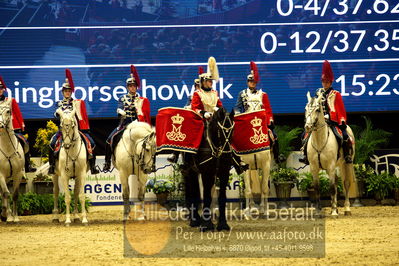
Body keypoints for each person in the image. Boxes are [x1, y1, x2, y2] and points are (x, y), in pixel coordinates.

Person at [299, 60, 353, 164]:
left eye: (327, 82)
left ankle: (346, 156)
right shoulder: (318, 93)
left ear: (331, 82)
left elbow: (340, 109)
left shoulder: (335, 94)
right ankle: (306, 156)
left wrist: (341, 120)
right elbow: (314, 106)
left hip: (333, 121)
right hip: (319, 121)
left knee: (344, 136)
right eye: (324, 81)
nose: (325, 84)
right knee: (304, 135)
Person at [48, 69, 99, 174]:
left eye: (69, 91)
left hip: (77, 130)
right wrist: (58, 113)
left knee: (92, 143)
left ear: (71, 92)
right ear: (62, 92)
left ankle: (93, 166)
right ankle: (52, 166)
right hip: (63, 130)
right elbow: (55, 114)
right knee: (52, 143)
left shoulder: (77, 103)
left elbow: (82, 116)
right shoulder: (58, 103)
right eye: (65, 91)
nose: (67, 93)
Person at [102, 65, 151, 172]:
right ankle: (107, 162)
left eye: (134, 86)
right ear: (127, 87)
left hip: (137, 125)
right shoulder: (123, 98)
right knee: (109, 140)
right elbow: (119, 108)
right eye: (130, 86)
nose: (132, 88)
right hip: (125, 125)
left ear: (136, 87)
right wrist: (121, 111)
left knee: (150, 142)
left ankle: (151, 163)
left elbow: (145, 112)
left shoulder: (141, 99)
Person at [234, 61, 280, 162]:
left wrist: (270, 120)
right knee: (235, 138)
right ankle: (237, 160)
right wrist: (238, 115)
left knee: (273, 136)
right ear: (247, 82)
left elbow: (267, 109)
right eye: (250, 82)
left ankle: (277, 156)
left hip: (260, 122)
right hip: (247, 122)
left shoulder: (262, 94)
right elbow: (237, 107)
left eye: (254, 82)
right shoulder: (242, 94)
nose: (252, 83)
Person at [0, 76, 36, 172]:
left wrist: (21, 125)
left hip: (12, 128)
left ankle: (27, 165)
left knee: (24, 142)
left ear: (3, 89)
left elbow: (17, 113)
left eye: (0, 88)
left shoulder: (10, 100)